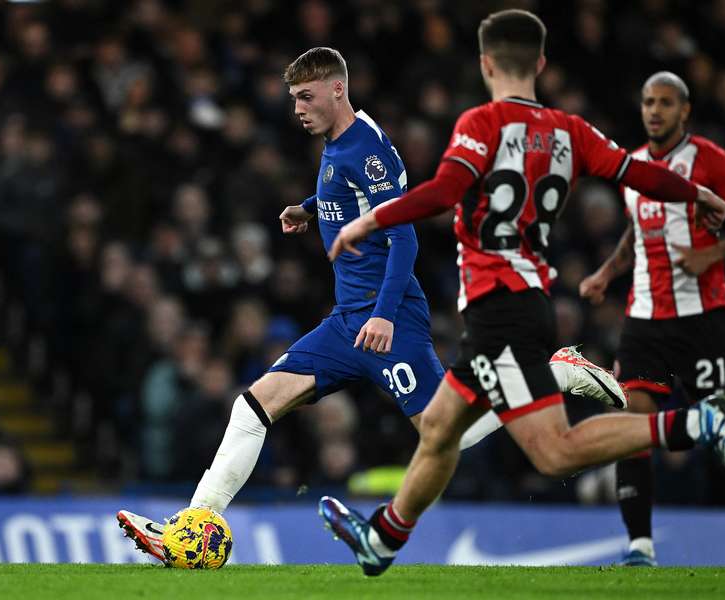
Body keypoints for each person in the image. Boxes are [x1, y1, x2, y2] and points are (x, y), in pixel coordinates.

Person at [116, 46, 624, 562]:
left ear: (338, 89)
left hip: (389, 317)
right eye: (293, 98)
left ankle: (553, 371)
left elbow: (403, 238)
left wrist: (383, 314)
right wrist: (312, 209)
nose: (297, 108)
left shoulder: (370, 150)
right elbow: (351, 195)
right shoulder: (338, 144)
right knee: (255, 403)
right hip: (346, 321)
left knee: (445, 434)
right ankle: (194, 527)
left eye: (306, 96)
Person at [319, 9, 725, 577]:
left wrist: (368, 221)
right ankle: (385, 539)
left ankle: (695, 423)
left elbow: (447, 189)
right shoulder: (570, 130)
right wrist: (697, 193)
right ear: (540, 63)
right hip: (520, 301)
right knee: (441, 429)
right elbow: (633, 171)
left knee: (553, 451)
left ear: (485, 63)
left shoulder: (481, 122)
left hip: (501, 305)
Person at [578, 71, 725, 566]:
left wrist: (712, 255)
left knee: (718, 430)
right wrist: (606, 272)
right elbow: (635, 233)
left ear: (684, 110)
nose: (654, 111)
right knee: (632, 423)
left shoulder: (711, 160)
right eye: (648, 101)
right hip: (642, 320)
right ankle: (639, 546)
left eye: (665, 102)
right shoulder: (634, 166)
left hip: (701, 318)